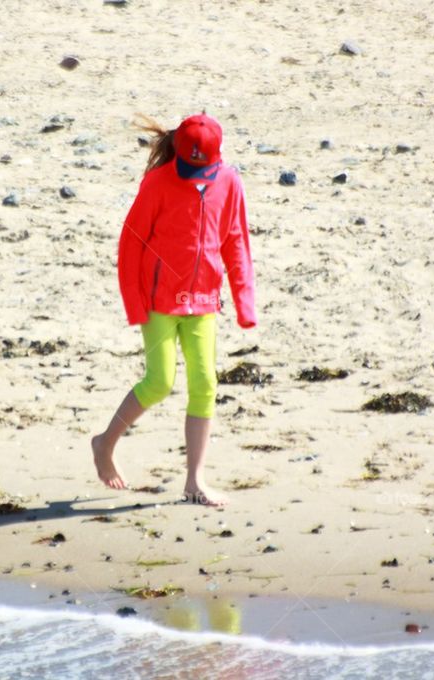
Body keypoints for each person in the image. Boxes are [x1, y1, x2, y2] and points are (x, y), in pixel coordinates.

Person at [91, 113, 256, 506]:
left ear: (217, 158)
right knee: (159, 381)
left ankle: (194, 481)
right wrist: (135, 303)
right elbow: (131, 244)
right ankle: (104, 444)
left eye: (201, 170)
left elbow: (236, 240)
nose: (194, 177)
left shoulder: (230, 182)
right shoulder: (158, 182)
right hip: (159, 299)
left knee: (205, 385)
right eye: (188, 167)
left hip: (202, 299)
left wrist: (243, 300)